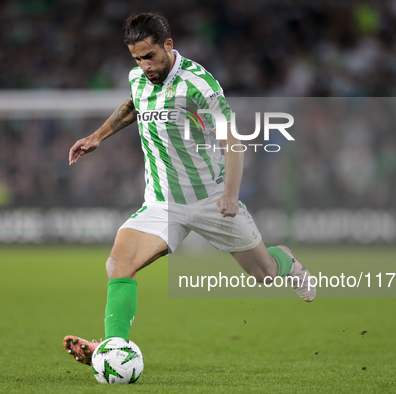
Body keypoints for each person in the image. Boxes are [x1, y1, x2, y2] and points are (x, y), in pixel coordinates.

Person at [64, 12, 316, 365]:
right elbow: (132, 106)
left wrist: (230, 194)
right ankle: (113, 348)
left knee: (265, 275)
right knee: (119, 264)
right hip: (162, 203)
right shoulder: (138, 79)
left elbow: (232, 139)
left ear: (168, 45)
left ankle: (285, 260)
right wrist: (96, 137)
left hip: (211, 200)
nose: (144, 65)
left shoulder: (200, 84)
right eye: (137, 58)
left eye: (149, 56)